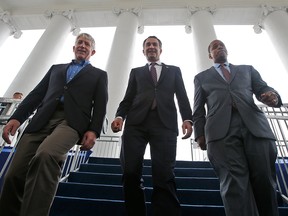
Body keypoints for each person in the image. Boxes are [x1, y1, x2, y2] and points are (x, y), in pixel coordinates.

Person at [0, 33, 108, 216]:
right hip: (41, 120)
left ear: (93, 51)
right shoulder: (56, 69)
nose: (82, 45)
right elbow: (36, 94)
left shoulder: (99, 75)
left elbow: (100, 105)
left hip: (71, 123)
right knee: (14, 175)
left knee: (46, 155)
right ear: (74, 48)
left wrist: (94, 130)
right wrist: (17, 118)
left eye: (87, 44)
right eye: (79, 42)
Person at [192, 39, 282, 216]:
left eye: (222, 46)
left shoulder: (247, 70)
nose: (219, 48)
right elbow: (198, 109)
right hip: (220, 133)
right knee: (234, 185)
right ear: (210, 55)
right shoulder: (201, 78)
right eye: (214, 47)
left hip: (255, 128)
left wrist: (273, 97)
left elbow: (264, 89)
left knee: (264, 180)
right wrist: (199, 134)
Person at [111, 36, 193, 216]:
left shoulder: (174, 71)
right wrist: (119, 117)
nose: (151, 47)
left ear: (160, 50)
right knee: (130, 172)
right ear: (143, 51)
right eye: (147, 44)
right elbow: (127, 98)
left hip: (164, 125)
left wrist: (187, 118)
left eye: (155, 44)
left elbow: (182, 96)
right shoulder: (136, 72)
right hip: (136, 125)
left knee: (164, 175)